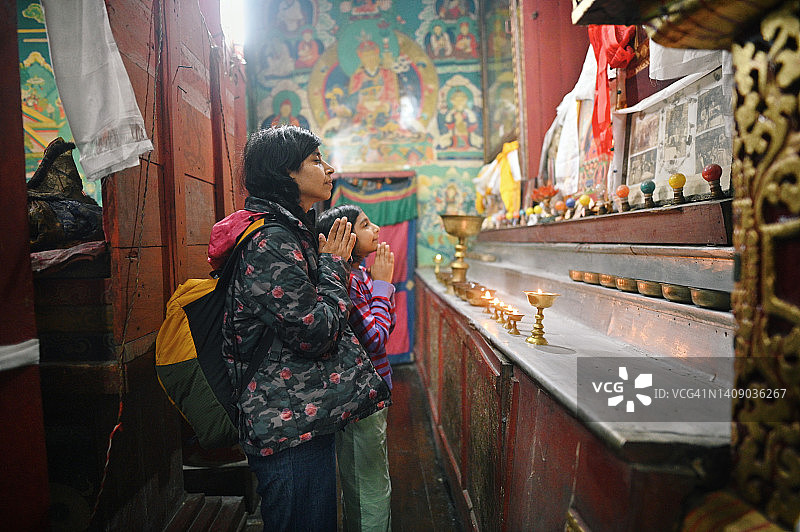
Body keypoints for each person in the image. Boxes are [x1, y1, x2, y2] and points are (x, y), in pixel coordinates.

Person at [211, 125, 389, 531]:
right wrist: (334, 266)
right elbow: (316, 332)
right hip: (285, 423)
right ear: (285, 171)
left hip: (301, 412)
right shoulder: (271, 241)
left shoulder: (291, 230)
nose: (329, 169)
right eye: (315, 160)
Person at [317, 205, 397, 532]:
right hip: (361, 393)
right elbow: (376, 338)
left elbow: (382, 327)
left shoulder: (361, 274)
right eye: (365, 225)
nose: (375, 228)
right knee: (368, 484)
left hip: (372, 389)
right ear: (345, 237)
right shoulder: (348, 281)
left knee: (367, 476)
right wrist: (384, 286)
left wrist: (378, 284)